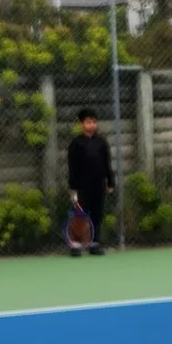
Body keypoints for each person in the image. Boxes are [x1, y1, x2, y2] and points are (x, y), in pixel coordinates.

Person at [65, 109, 115, 256]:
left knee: (97, 213)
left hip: (98, 184)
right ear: (81, 124)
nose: (91, 125)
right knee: (80, 214)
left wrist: (110, 182)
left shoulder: (101, 143)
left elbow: (107, 164)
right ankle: (76, 245)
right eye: (88, 122)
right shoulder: (76, 143)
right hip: (81, 186)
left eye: (94, 122)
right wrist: (73, 187)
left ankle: (94, 243)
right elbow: (72, 167)